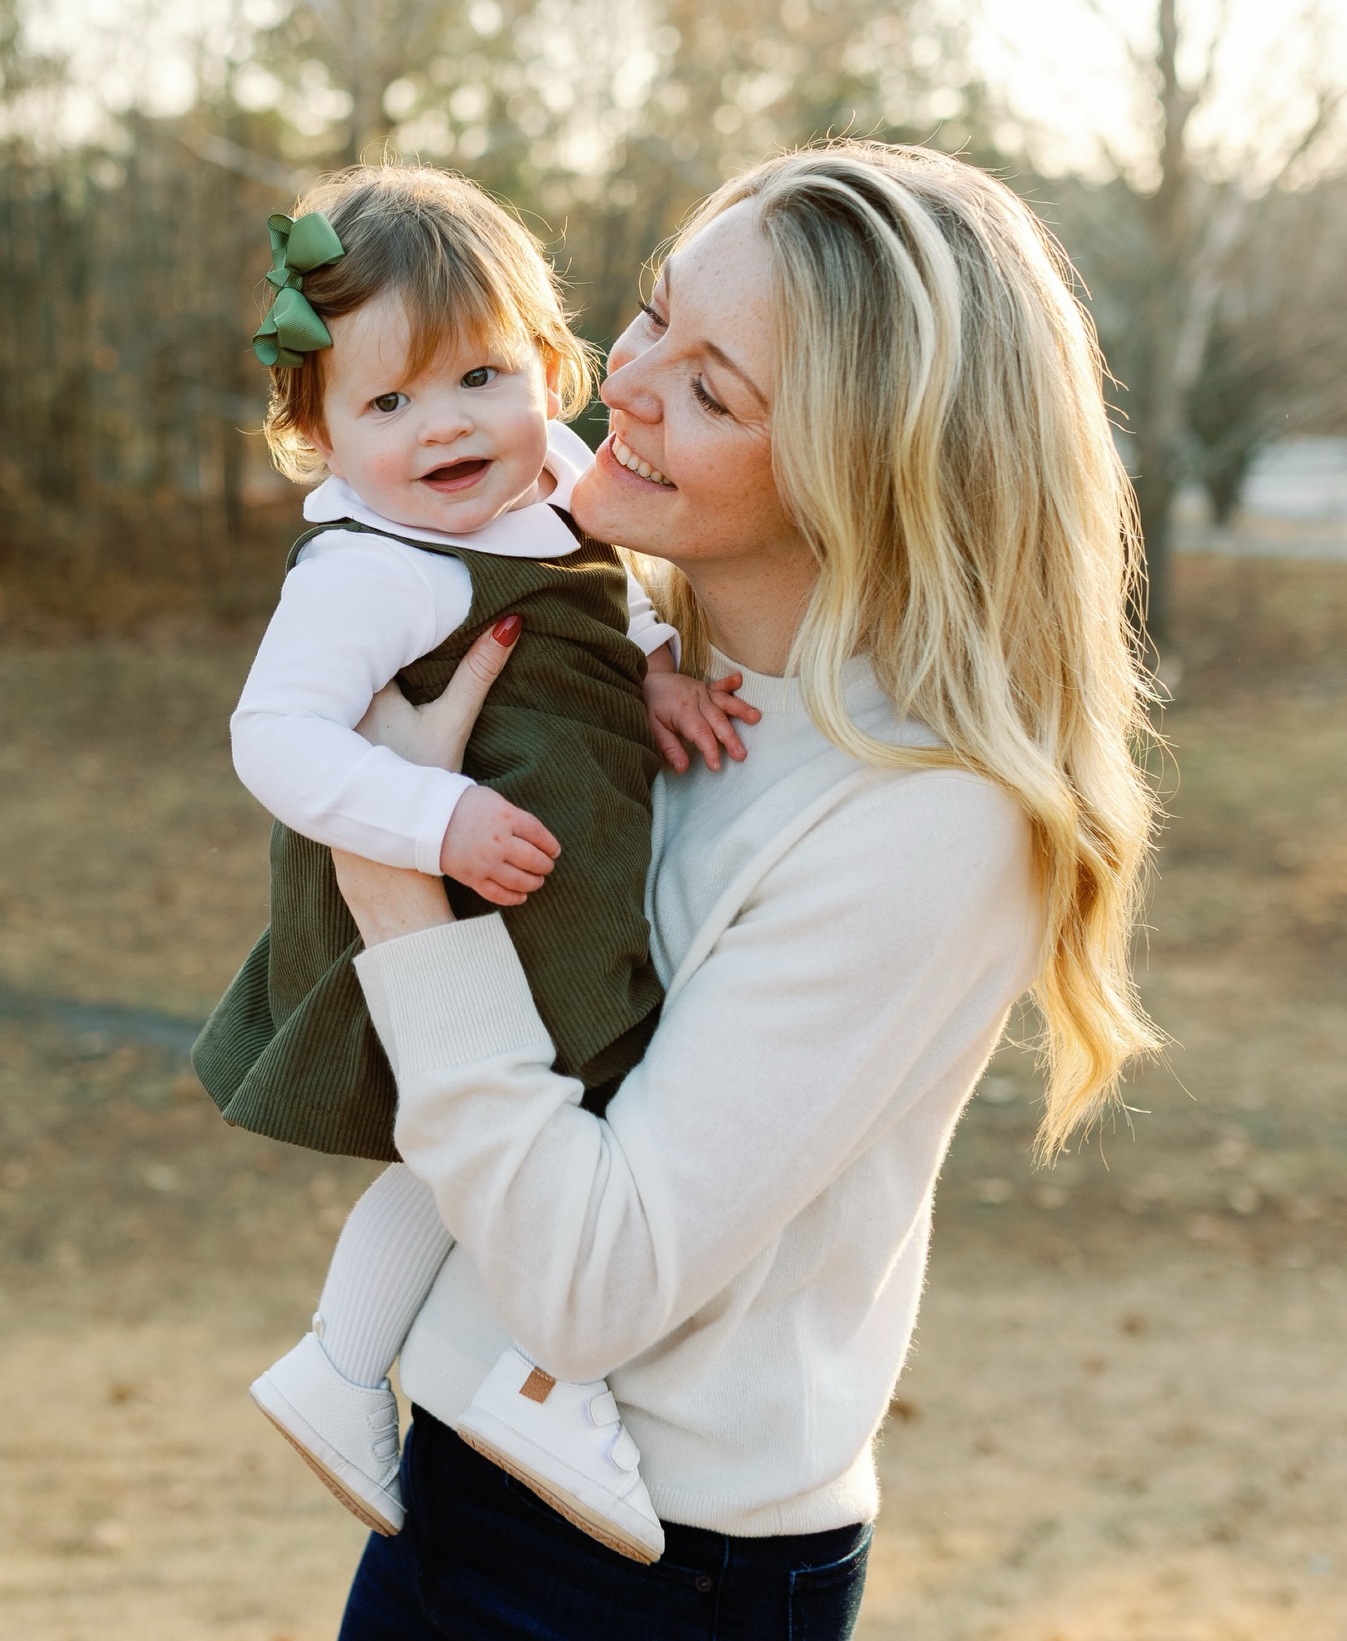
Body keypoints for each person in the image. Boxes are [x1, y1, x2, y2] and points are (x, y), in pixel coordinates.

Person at [323, 141, 1161, 1640]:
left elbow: (592, 1288)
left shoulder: (927, 819)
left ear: (864, 463)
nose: (624, 385)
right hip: (453, 1476)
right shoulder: (626, 650)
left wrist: (397, 878)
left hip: (654, 1577)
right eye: (651, 316)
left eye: (715, 391)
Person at [192, 163, 759, 1564]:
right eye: (387, 404)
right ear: (317, 433)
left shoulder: (557, 472)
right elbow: (273, 738)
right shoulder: (372, 570)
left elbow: (606, 600)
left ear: (550, 371)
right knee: (577, 1100)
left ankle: (346, 1361)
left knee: (519, 1133)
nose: (444, 427)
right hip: (456, 888)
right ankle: (538, 1378)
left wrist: (662, 669)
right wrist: (426, 821)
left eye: (480, 378)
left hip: (536, 880)